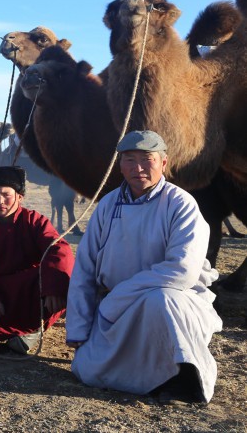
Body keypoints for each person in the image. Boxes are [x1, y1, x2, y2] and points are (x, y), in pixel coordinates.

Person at [65, 130, 222, 404]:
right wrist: (78, 327)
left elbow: (181, 271)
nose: (137, 168)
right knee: (86, 371)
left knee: (161, 299)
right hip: (115, 310)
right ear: (120, 164)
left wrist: (122, 294)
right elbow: (85, 269)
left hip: (174, 302)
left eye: (146, 159)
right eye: (129, 159)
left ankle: (183, 379)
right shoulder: (108, 205)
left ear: (163, 162)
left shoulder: (181, 205)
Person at [0, 166, 74, 354]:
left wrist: (53, 289)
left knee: (51, 286)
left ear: (19, 196)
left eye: (6, 194)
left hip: (28, 294)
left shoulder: (35, 221)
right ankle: (17, 333)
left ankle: (34, 329)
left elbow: (57, 249)